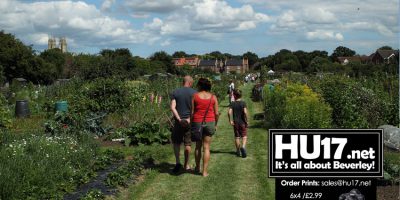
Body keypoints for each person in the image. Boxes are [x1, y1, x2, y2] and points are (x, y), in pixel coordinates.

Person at [191, 78, 219, 177]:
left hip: (197, 122)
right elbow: (216, 113)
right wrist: (215, 124)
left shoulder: (195, 96)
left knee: (198, 146)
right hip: (210, 121)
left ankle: (197, 167)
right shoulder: (213, 97)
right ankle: (204, 171)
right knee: (206, 147)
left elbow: (192, 112)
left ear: (199, 85)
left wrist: (192, 123)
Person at [170, 75, 197, 173]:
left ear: (183, 82)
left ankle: (177, 162)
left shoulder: (175, 92)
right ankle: (186, 164)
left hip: (178, 122)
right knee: (188, 143)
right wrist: (189, 119)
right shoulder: (194, 93)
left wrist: (178, 118)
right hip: (189, 121)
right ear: (190, 83)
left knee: (176, 142)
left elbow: (172, 107)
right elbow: (195, 109)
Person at [228, 89, 249, 158]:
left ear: (234, 95)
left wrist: (230, 120)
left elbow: (229, 112)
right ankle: (243, 147)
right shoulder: (243, 103)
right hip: (242, 122)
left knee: (237, 137)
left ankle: (238, 151)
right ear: (241, 95)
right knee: (244, 136)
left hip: (235, 122)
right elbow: (245, 112)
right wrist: (247, 120)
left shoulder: (232, 103)